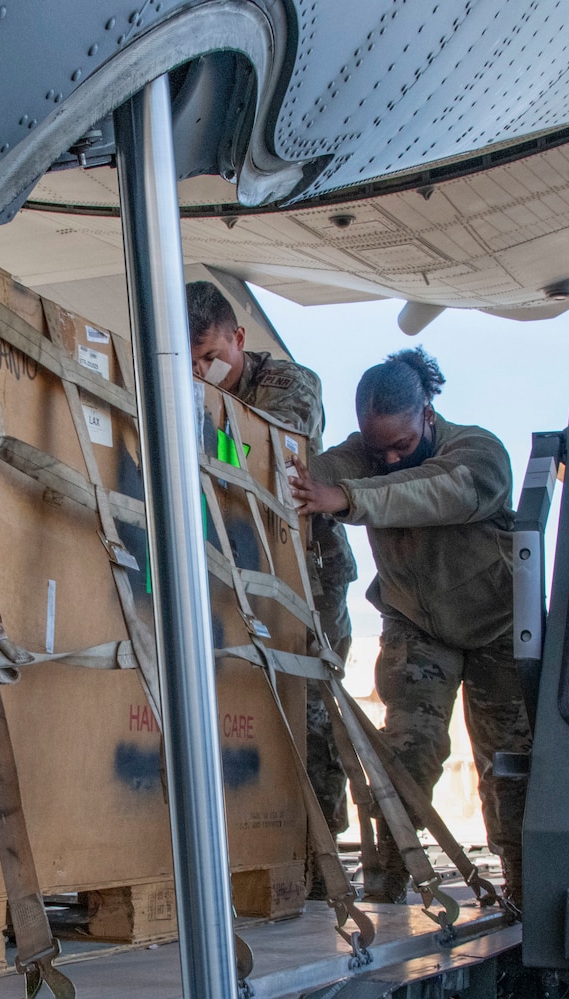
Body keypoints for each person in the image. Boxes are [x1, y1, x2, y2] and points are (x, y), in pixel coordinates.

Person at [289, 347, 530, 909]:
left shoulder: (478, 451)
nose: (392, 459)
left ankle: (525, 892)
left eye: (403, 444)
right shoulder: (362, 457)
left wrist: (347, 497)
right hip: (417, 626)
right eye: (380, 450)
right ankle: (385, 890)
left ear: (428, 413)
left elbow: (437, 490)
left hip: (500, 629)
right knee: (404, 756)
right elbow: (309, 474)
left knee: (511, 766)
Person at [185, 281, 358, 877]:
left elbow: (267, 457)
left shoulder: (288, 384)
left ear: (239, 339)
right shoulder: (193, 390)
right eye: (189, 361)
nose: (202, 372)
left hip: (306, 577)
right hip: (235, 568)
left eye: (211, 356)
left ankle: (317, 862)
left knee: (311, 714)